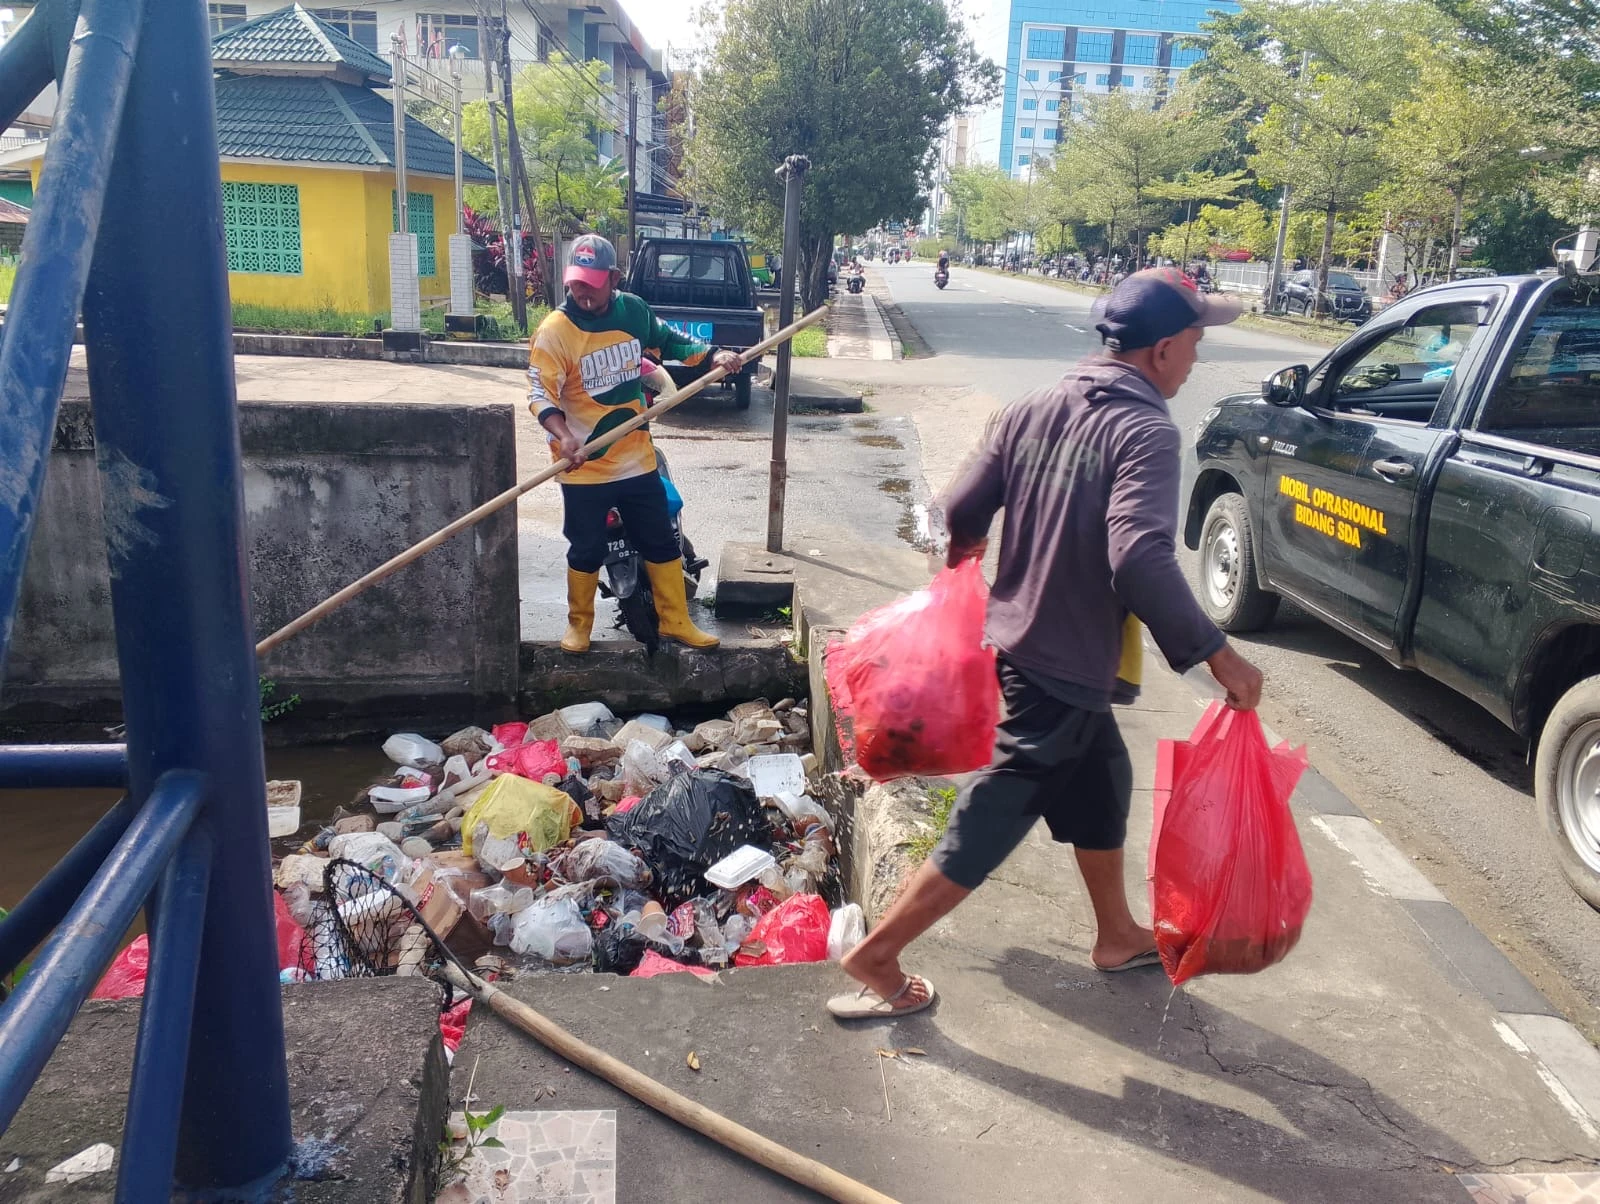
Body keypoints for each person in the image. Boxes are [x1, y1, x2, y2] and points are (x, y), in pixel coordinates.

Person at [826, 268, 1266, 1020]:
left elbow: (960, 510)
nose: (1197, 359)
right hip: (1063, 661)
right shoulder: (1146, 431)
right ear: (1162, 349)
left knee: (1103, 779)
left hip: (1025, 644)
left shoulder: (1032, 408)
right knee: (996, 808)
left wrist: (971, 557)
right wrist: (1215, 653)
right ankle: (879, 954)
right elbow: (1139, 556)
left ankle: (1116, 935)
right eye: (1195, 342)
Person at [528, 234, 741, 655]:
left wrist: (713, 355)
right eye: (576, 282)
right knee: (586, 548)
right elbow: (540, 395)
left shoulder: (634, 311)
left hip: (635, 459)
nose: (583, 292)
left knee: (660, 539)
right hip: (583, 465)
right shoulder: (554, 332)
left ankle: (675, 621)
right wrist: (565, 437)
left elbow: (671, 340)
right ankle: (579, 625)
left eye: (592, 283)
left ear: (614, 278)